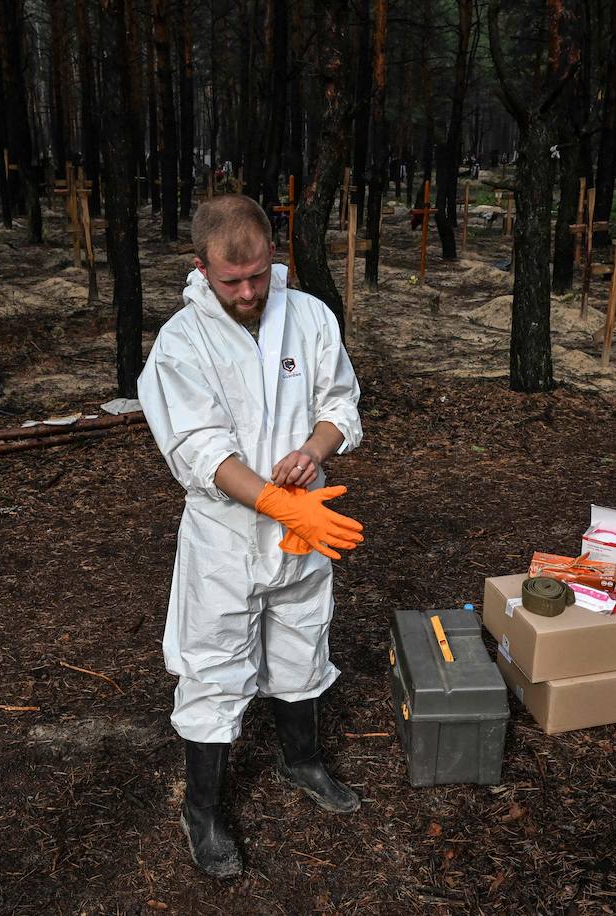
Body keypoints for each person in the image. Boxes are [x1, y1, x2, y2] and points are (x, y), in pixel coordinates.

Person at [137, 194, 365, 879]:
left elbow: (339, 404)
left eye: (259, 275)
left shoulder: (311, 318)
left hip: (303, 525)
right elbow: (198, 449)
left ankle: (303, 763)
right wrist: (272, 500)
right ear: (200, 267)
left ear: (273, 256)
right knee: (214, 666)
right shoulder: (182, 342)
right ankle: (201, 812)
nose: (248, 292)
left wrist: (311, 448)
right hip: (225, 539)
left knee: (302, 637)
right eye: (231, 281)